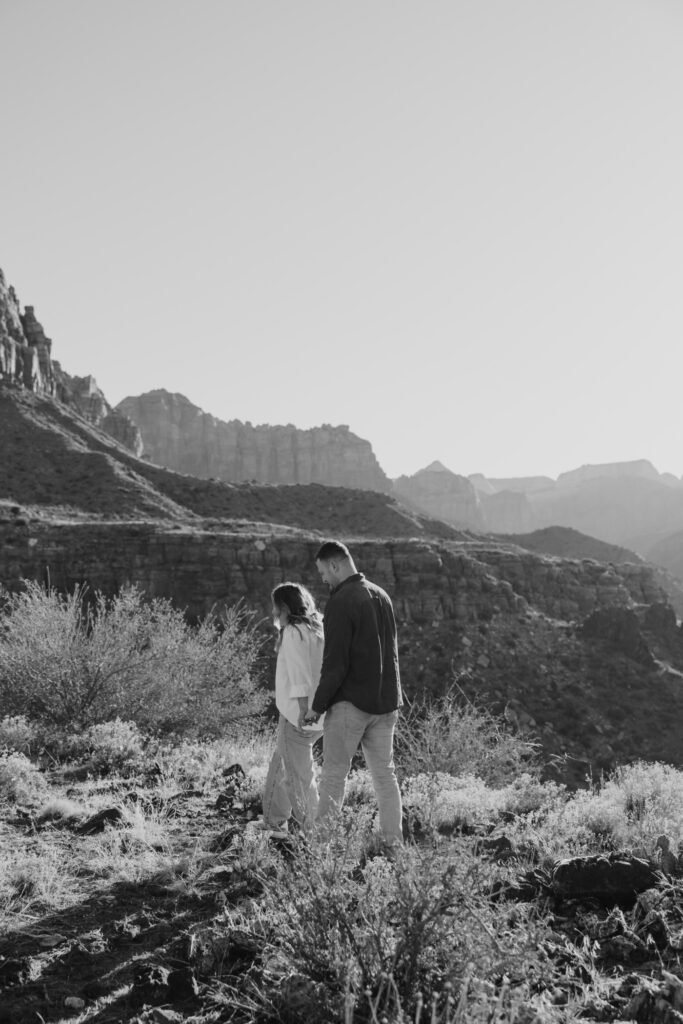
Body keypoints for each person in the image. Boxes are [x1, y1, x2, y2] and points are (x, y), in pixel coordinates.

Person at [304, 540, 403, 849]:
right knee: (385, 777)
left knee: (333, 775)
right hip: (385, 703)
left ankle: (322, 847)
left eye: (323, 572)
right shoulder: (381, 595)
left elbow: (335, 663)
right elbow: (392, 653)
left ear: (335, 565)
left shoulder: (341, 600)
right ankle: (393, 844)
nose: (323, 579)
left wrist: (316, 707)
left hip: (351, 705)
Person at [260, 582, 325, 833]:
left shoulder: (294, 631)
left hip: (300, 715)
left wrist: (302, 711)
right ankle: (273, 822)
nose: (275, 613)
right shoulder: (318, 627)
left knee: (298, 777)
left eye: (276, 608)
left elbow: (300, 676)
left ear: (285, 606)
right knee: (282, 761)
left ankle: (314, 832)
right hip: (320, 713)